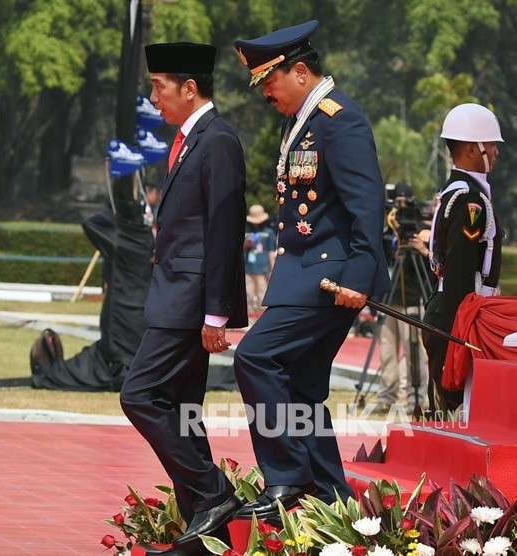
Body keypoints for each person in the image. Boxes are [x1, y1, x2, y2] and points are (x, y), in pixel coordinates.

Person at [231, 20, 389, 520]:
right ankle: (331, 497)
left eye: (270, 82)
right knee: (301, 384)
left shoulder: (338, 120)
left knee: (255, 358)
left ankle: (287, 479)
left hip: (330, 276)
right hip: (301, 273)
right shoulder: (300, 119)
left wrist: (359, 279)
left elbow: (366, 206)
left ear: (299, 72)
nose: (266, 94)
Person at [119, 42, 247, 552]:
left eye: (159, 87)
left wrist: (217, 312)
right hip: (175, 295)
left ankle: (213, 493)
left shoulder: (217, 141)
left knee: (140, 396)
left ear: (189, 88)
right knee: (181, 407)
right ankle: (204, 531)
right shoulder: (192, 140)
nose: (154, 98)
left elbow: (222, 230)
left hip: (190, 300)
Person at [423, 103, 504, 412]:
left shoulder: (454, 191)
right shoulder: (470, 200)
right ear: (474, 149)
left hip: (452, 310)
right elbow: (459, 269)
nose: (496, 152)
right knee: (461, 410)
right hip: (461, 314)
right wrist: (464, 329)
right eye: (492, 145)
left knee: (457, 410)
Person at [376, 184, 432, 414]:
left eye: (403, 202)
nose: (399, 207)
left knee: (414, 353)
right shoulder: (390, 230)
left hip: (411, 296)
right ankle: (386, 396)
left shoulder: (422, 229)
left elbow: (433, 262)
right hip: (390, 298)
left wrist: (421, 245)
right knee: (387, 351)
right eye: (396, 202)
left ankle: (416, 399)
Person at [244, 204, 276, 312]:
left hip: (263, 267)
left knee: (262, 291)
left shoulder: (269, 232)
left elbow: (271, 252)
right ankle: (247, 315)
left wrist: (272, 269)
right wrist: (246, 245)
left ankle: (262, 315)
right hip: (247, 267)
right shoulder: (246, 232)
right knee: (248, 292)